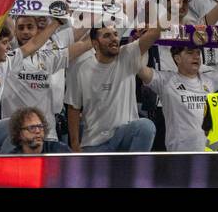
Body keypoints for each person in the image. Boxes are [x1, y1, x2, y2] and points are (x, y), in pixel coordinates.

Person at [66, 22, 166, 152]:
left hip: (124, 136)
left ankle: (133, 170)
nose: (114, 39)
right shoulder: (80, 69)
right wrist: (75, 145)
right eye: (107, 36)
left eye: (115, 34)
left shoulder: (127, 55)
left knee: (146, 126)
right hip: (94, 144)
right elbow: (73, 108)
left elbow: (154, 34)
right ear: (95, 43)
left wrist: (171, 9)